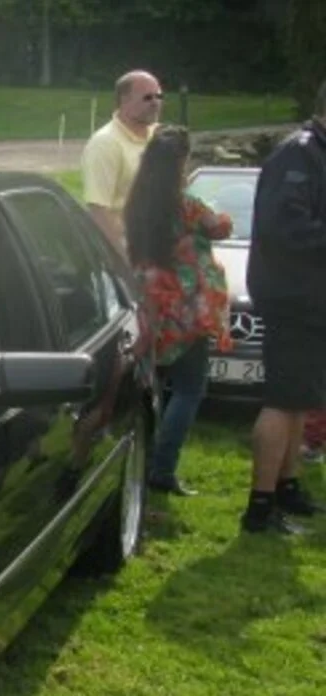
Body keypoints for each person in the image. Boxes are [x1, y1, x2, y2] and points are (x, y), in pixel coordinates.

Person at [123, 125, 232, 498]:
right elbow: (220, 228)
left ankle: (143, 455)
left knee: (153, 384)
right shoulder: (188, 206)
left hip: (150, 305)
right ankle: (162, 468)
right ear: (181, 163)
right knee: (189, 389)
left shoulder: (136, 203)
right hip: (186, 310)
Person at [239, 79, 326, 535]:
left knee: (299, 401)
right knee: (282, 400)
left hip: (311, 299)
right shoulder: (298, 155)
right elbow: (284, 230)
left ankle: (288, 487)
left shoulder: (317, 154)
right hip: (292, 297)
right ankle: (261, 506)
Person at [81, 69, 164, 255]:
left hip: (160, 251)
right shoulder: (105, 144)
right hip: (129, 252)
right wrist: (126, 264)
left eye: (159, 96)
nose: (155, 103)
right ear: (124, 101)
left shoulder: (160, 136)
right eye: (147, 98)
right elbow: (99, 211)